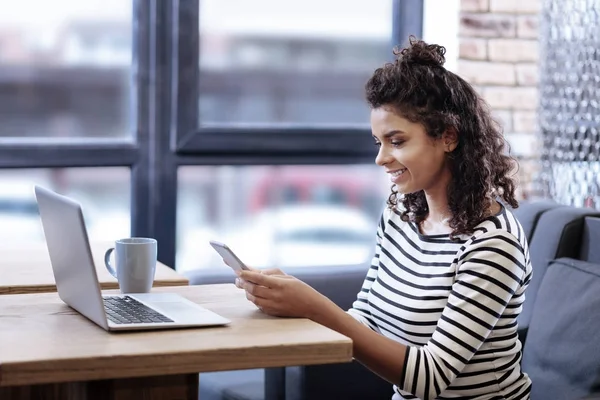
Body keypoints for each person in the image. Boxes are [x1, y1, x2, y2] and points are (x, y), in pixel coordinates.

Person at [234, 36, 533, 400]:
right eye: (379, 142)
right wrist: (293, 303)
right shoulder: (400, 215)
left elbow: (430, 379)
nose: (381, 158)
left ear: (449, 137)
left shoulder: (492, 243)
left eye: (397, 141)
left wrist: (314, 305)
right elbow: (366, 318)